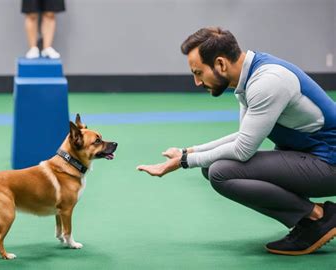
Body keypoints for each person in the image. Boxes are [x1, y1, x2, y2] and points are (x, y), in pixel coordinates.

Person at [137, 27, 336, 256]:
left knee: (221, 172)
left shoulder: (267, 82)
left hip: (329, 164)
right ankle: (310, 217)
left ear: (220, 64)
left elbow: (243, 150)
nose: (197, 82)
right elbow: (245, 135)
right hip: (315, 158)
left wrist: (183, 162)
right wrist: (187, 152)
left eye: (198, 72)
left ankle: (318, 218)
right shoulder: (250, 75)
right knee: (210, 167)